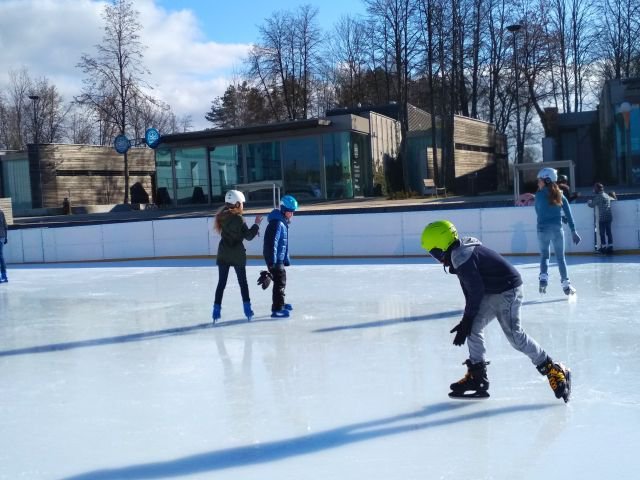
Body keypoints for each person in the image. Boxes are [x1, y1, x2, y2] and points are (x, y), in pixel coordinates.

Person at [420, 220, 572, 402]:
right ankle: (478, 378)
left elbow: (475, 291)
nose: (434, 258)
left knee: (515, 336)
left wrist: (467, 319)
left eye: (433, 253)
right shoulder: (459, 252)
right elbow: (471, 291)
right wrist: (466, 322)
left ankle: (553, 368)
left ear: (440, 246)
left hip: (508, 290)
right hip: (492, 291)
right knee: (473, 327)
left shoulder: (461, 256)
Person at [212, 190, 263, 323]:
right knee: (243, 283)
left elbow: (240, 233)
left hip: (223, 253)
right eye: (241, 203)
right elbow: (249, 236)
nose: (243, 206)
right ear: (237, 203)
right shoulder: (238, 218)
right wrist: (257, 224)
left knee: (221, 283)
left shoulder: (221, 216)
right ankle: (247, 310)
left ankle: (216, 311)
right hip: (237, 255)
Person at [535, 167, 581, 295]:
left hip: (542, 230)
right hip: (556, 230)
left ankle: (543, 278)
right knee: (560, 258)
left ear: (547, 180)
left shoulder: (538, 195)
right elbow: (569, 213)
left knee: (544, 256)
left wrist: (556, 217)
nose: (538, 183)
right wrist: (573, 230)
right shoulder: (560, 194)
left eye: (540, 180)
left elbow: (539, 213)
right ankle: (566, 285)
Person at [263, 195, 298, 318]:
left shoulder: (281, 222)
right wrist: (272, 261)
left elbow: (282, 244)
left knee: (280, 282)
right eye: (290, 212)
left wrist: (285, 259)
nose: (292, 215)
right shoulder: (277, 223)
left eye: (293, 212)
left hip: (278, 259)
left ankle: (280, 303)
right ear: (283, 210)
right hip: (275, 260)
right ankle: (277, 308)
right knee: (280, 283)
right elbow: (272, 243)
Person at [588, 182, 616, 254]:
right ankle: (610, 247)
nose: (594, 190)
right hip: (609, 216)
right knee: (609, 232)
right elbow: (613, 199)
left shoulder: (598, 197)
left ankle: (603, 247)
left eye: (595, 188)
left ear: (597, 189)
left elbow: (591, 205)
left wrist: (588, 202)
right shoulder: (606, 195)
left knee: (602, 233)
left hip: (602, 217)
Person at [0, 207, 7, 283]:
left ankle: (3, 276)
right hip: (2, 236)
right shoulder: (1, 212)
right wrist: (6, 237)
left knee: (0, 256)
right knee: (1, 256)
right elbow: (5, 225)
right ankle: (4, 276)